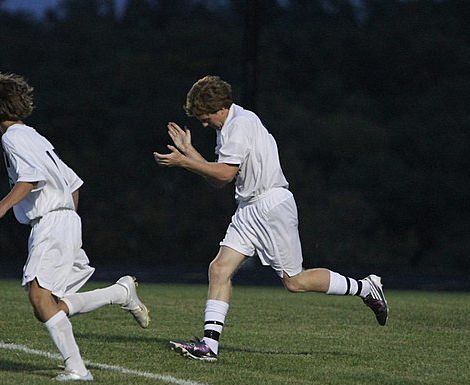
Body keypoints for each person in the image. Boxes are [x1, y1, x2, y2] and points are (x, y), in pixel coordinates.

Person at [153, 75, 387, 362]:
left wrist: (185, 161)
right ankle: (209, 347)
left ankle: (366, 287)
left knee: (295, 282)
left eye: (205, 118)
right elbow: (218, 178)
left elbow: (224, 175)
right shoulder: (230, 125)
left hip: (270, 206)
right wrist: (190, 153)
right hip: (249, 208)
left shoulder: (239, 126)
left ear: (220, 109)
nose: (204, 124)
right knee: (219, 269)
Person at [0, 71, 150, 381]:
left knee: (39, 297)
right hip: (66, 218)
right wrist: (67, 218)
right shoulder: (34, 135)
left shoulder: (13, 137)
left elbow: (30, 179)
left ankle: (77, 369)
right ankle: (120, 293)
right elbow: (72, 183)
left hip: (53, 221)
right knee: (48, 303)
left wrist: (0, 207)